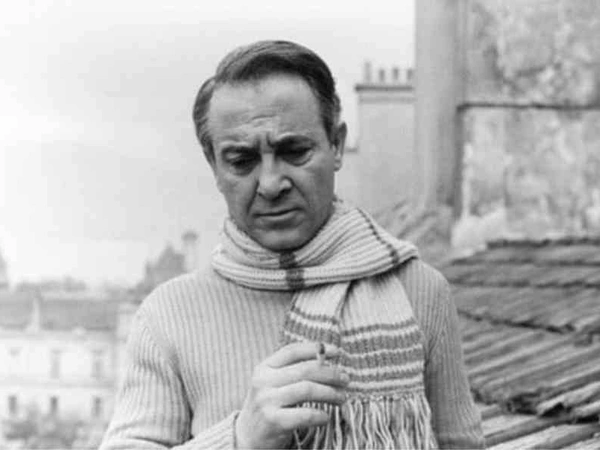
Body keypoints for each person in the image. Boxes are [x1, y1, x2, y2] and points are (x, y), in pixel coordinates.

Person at [100, 40, 484, 449]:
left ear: (336, 145)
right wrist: (241, 439)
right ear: (214, 166)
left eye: (294, 151)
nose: (270, 184)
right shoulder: (168, 315)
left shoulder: (422, 292)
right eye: (241, 161)